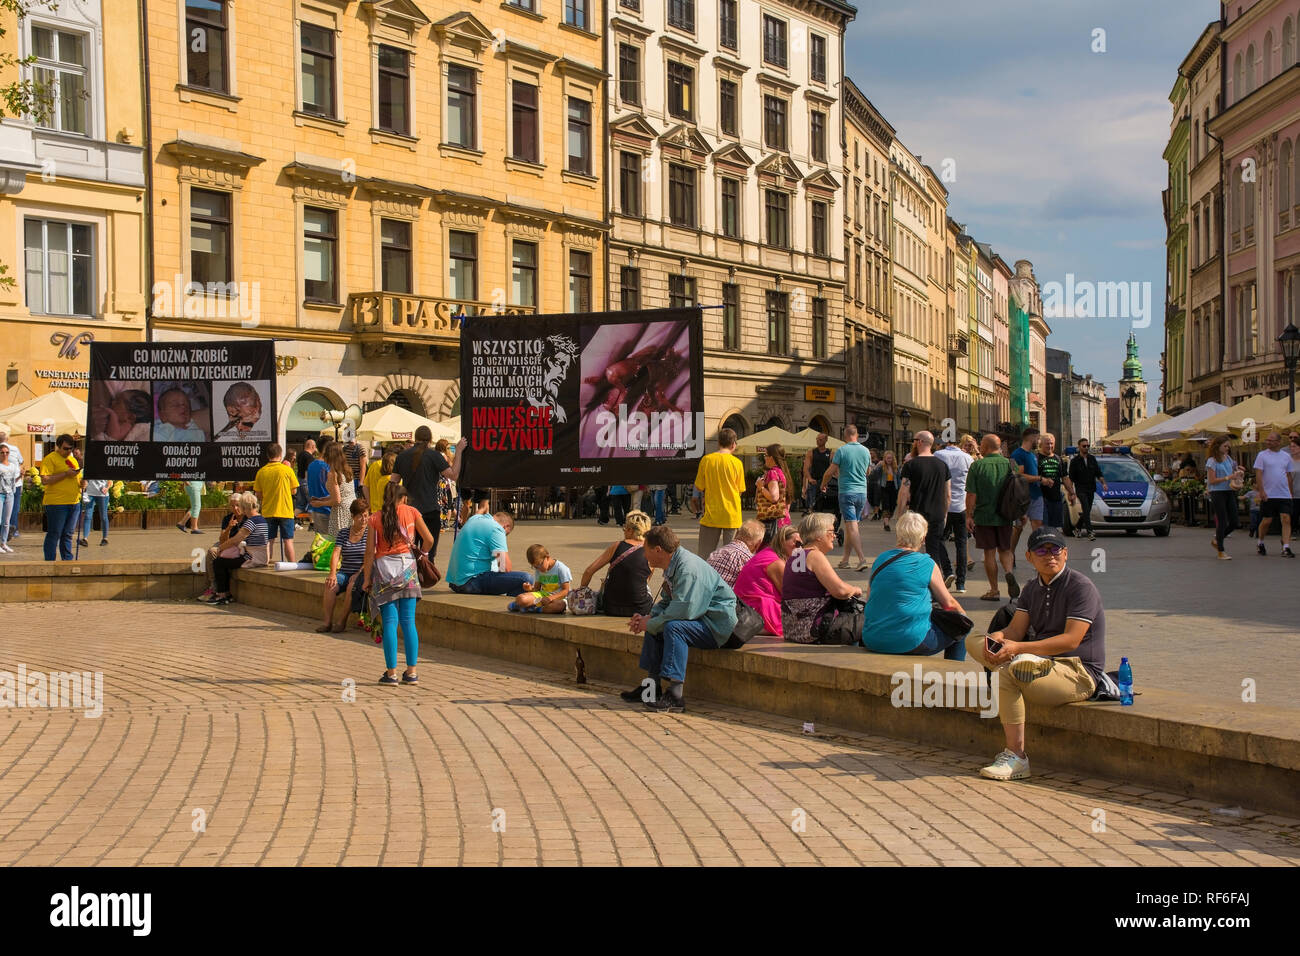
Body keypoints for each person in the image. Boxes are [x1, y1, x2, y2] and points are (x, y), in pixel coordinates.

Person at [963, 527, 1108, 781]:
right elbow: (1015, 630)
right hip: (1040, 663)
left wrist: (1017, 648)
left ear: (1066, 554)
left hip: (1077, 672)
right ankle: (1017, 663)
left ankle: (1017, 756)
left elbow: (1071, 639)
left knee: (1006, 674)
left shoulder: (1080, 587)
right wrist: (998, 639)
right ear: (1029, 557)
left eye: (1056, 550)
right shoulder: (1031, 588)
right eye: (1042, 550)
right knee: (974, 640)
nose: (1049, 556)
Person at [622, 525, 738, 713]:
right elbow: (668, 601)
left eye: (646, 550)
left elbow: (684, 611)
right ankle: (652, 687)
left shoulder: (687, 569)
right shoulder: (673, 564)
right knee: (657, 624)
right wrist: (648, 617)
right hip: (699, 617)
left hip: (715, 626)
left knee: (673, 627)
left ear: (658, 550)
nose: (645, 556)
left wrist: (650, 623)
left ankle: (675, 696)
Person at [861, 512, 965, 659]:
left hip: (873, 638)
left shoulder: (880, 559)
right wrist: (965, 617)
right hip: (910, 640)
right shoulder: (927, 563)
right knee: (961, 627)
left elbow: (870, 598)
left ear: (898, 534)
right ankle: (954, 677)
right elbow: (949, 603)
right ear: (923, 539)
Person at [363, 483, 435, 685]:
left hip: (384, 571)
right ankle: (411, 672)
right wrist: (423, 555)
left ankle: (391, 673)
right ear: (403, 498)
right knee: (408, 621)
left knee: (389, 623)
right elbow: (428, 539)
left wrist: (367, 578)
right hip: (408, 570)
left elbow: (369, 552)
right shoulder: (412, 512)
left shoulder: (375, 518)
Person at [781, 511, 863, 644]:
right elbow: (840, 591)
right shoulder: (814, 556)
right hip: (814, 630)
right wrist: (855, 589)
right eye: (831, 531)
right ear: (818, 536)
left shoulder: (795, 556)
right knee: (871, 619)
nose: (834, 536)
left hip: (793, 629)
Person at [394, 426, 466, 558]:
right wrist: (459, 451)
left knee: (409, 554)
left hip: (408, 512)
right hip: (430, 510)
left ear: (415, 438)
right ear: (431, 440)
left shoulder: (402, 456)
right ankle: (427, 577)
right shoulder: (434, 456)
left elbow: (393, 483)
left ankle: (412, 578)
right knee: (429, 555)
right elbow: (454, 475)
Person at [893, 430, 952, 584]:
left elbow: (904, 492)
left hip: (918, 515)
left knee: (911, 549)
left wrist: (899, 515)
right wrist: (945, 514)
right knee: (934, 551)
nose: (913, 443)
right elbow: (948, 495)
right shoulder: (942, 465)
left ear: (919, 442)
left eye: (914, 440)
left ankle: (913, 582)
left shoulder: (911, 465)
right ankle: (938, 585)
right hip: (938, 513)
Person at [445, 492, 533, 595]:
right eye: (506, 535)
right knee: (526, 579)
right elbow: (505, 567)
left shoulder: (475, 518)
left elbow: (482, 509)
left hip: (455, 582)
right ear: (505, 527)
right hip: (471, 582)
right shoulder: (497, 529)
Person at [966, 433, 1019, 602]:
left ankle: (994, 590)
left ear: (987, 447)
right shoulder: (1010, 464)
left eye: (981, 444)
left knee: (989, 553)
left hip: (984, 515)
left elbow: (971, 494)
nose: (980, 447)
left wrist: (969, 515)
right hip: (1006, 515)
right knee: (1005, 549)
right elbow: (1017, 488)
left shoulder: (977, 466)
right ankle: (1009, 573)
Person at [580, 510, 654, 616]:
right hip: (640, 609)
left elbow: (589, 571)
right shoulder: (650, 550)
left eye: (624, 529)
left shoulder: (616, 546)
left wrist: (581, 592)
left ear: (630, 530)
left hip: (611, 607)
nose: (623, 532)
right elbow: (645, 581)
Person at [733, 524, 801, 637]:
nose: (799, 548)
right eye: (797, 543)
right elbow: (790, 597)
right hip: (756, 608)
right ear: (783, 541)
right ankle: (761, 627)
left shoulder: (768, 552)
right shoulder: (777, 563)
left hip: (746, 606)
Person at [820, 424, 872, 571]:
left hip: (847, 492)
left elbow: (829, 472)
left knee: (852, 526)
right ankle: (845, 560)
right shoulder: (866, 451)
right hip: (862, 492)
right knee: (851, 526)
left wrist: (823, 484)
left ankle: (862, 559)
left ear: (845, 435)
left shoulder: (842, 451)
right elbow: (868, 472)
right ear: (856, 435)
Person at [206, 491, 269, 605]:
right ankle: (225, 594)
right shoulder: (262, 519)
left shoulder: (251, 522)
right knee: (226, 562)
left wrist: (220, 548)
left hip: (252, 558)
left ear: (245, 508)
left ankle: (223, 595)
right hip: (261, 556)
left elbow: (236, 540)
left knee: (219, 563)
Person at [694, 428, 745, 557]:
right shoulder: (737, 463)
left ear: (719, 443)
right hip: (732, 516)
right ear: (733, 444)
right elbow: (740, 490)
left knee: (704, 557)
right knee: (732, 557)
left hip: (712, 515)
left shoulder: (707, 460)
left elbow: (699, 487)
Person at [319, 499, 368, 633]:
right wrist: (332, 573)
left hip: (362, 573)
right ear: (352, 516)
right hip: (345, 571)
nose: (363, 519)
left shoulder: (370, 534)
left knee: (352, 586)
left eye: (365, 515)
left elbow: (371, 557)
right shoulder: (344, 533)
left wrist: (358, 574)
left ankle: (342, 621)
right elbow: (336, 554)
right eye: (360, 516)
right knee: (330, 585)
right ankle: (327, 622)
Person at [934, 435, 974, 593]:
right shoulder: (967, 458)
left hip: (944, 505)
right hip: (962, 505)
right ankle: (961, 583)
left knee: (938, 539)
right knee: (961, 543)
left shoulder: (939, 455)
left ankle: (948, 570)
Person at [254, 443, 300, 562]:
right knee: (288, 540)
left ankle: (266, 562)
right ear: (280, 455)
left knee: (269, 541)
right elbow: (294, 490)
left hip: (268, 511)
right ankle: (292, 564)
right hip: (285, 511)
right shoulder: (287, 470)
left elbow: (258, 494)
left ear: (267, 455)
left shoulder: (261, 472)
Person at [39, 434, 82, 561]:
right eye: (65, 448)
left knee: (68, 534)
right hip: (57, 503)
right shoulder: (50, 459)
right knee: (55, 533)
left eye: (70, 448)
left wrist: (82, 483)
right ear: (58, 446)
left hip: (74, 502)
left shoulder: (73, 460)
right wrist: (65, 474)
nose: (68, 451)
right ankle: (50, 560)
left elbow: (76, 479)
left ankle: (67, 560)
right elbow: (45, 480)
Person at [1253, 430, 1296, 557]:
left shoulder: (1286, 456)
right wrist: (1261, 491)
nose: (1268, 442)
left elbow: (1288, 475)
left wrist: (1290, 492)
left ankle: (1286, 547)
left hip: (1283, 493)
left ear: (1278, 442)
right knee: (1267, 520)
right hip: (1269, 493)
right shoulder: (1262, 455)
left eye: (1271, 440)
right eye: (1267, 440)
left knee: (1286, 518)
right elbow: (1259, 474)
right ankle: (1260, 542)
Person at [1009, 427, 1048, 553]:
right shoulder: (1016, 454)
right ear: (1031, 438)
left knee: (1037, 525)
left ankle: (1038, 554)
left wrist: (1043, 480)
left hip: (1037, 495)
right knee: (1019, 526)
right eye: (1038, 438)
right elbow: (1017, 475)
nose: (1039, 441)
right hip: (1022, 496)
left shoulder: (1032, 455)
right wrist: (1040, 478)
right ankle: (1010, 552)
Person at [1205, 435, 1243, 560]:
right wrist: (1228, 478)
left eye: (1228, 446)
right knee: (1222, 520)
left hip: (1229, 490)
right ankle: (1221, 551)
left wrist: (1239, 472)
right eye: (1225, 446)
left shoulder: (1228, 458)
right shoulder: (1212, 461)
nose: (1227, 448)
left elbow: (1234, 471)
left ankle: (1217, 539)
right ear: (1218, 446)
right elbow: (1212, 480)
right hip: (1217, 492)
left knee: (1234, 521)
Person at [510, 545, 572, 614]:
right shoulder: (539, 570)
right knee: (521, 599)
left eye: (539, 565)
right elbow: (537, 589)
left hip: (557, 598)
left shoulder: (561, 568)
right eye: (535, 567)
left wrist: (550, 598)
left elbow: (566, 591)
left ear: (547, 557)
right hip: (543, 596)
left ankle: (534, 608)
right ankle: (524, 605)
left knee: (560, 606)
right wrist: (530, 589)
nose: (538, 569)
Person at [313, 441, 357, 540]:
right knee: (349, 542)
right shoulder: (347, 470)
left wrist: (319, 504)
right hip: (351, 508)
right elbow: (342, 493)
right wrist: (322, 499)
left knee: (338, 543)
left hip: (340, 512)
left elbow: (337, 500)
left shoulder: (333, 473)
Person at [705, 518, 764, 588]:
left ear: (736, 534)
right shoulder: (747, 558)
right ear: (758, 543)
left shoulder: (717, 552)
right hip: (723, 596)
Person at [1067, 438, 1107, 540]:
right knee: (1085, 507)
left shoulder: (1092, 459)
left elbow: (1098, 473)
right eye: (1084, 446)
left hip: (1091, 488)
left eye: (1087, 446)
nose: (1086, 448)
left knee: (1087, 511)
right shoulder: (1075, 461)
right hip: (1080, 489)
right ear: (1079, 447)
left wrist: (1103, 484)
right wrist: (1071, 492)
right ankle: (1090, 532)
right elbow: (1071, 478)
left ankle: (1077, 527)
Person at [1036, 433, 1072, 531]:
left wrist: (1071, 492)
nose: (1050, 446)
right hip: (1041, 498)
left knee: (1054, 529)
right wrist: (1041, 480)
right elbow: (1031, 477)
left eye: (1052, 443)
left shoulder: (1058, 459)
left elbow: (1064, 477)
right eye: (1047, 444)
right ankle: (1043, 546)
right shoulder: (1036, 458)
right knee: (1044, 528)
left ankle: (1052, 546)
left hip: (1056, 498)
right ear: (1041, 444)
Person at [755, 443, 793, 529]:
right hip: (784, 518)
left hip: (773, 520)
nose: (764, 457)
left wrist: (761, 487)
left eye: (765, 455)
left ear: (771, 458)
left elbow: (774, 497)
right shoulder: (783, 472)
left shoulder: (772, 473)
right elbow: (787, 499)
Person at [306, 437, 334, 533]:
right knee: (329, 544)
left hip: (316, 508)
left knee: (322, 543)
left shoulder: (311, 465)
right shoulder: (327, 467)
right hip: (328, 509)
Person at [0, 428, 22, 543]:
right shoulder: (15, 449)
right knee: (13, 510)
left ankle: (5, 538)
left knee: (6, 516)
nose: (5, 454)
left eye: (6, 453)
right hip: (10, 488)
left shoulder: (10, 463)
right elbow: (21, 461)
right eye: (3, 453)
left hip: (8, 489)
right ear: (7, 439)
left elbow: (13, 478)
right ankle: (13, 530)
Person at [803, 433, 832, 516]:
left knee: (825, 505)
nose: (818, 441)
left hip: (826, 482)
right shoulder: (811, 452)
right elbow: (806, 468)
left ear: (826, 440)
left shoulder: (830, 453)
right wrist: (810, 478)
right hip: (814, 481)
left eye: (820, 439)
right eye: (817, 439)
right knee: (812, 505)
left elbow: (833, 469)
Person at [872, 450, 900, 532]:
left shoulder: (896, 467)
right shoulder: (881, 466)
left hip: (893, 487)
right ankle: (886, 523)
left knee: (893, 506)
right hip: (884, 488)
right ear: (884, 458)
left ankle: (887, 519)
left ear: (893, 459)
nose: (889, 460)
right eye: (888, 458)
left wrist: (900, 488)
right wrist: (877, 465)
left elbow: (899, 479)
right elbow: (873, 474)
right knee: (886, 505)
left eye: (890, 458)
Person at [79, 476, 110, 548]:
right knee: (87, 516)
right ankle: (85, 539)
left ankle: (105, 538)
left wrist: (107, 488)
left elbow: (110, 480)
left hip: (102, 494)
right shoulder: (89, 466)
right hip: (90, 494)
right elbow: (85, 479)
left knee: (103, 517)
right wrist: (83, 487)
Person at [365, 450, 398, 515]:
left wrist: (369, 505)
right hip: (391, 512)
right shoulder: (395, 479)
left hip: (375, 509)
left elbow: (365, 486)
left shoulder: (375, 465)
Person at [1176, 454, 1201, 526]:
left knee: (1189, 502)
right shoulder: (1184, 475)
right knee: (1186, 502)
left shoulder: (1192, 475)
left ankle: (1189, 518)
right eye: (1187, 469)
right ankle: (1187, 518)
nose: (1188, 471)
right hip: (1186, 490)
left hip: (1189, 490)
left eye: (1190, 469)